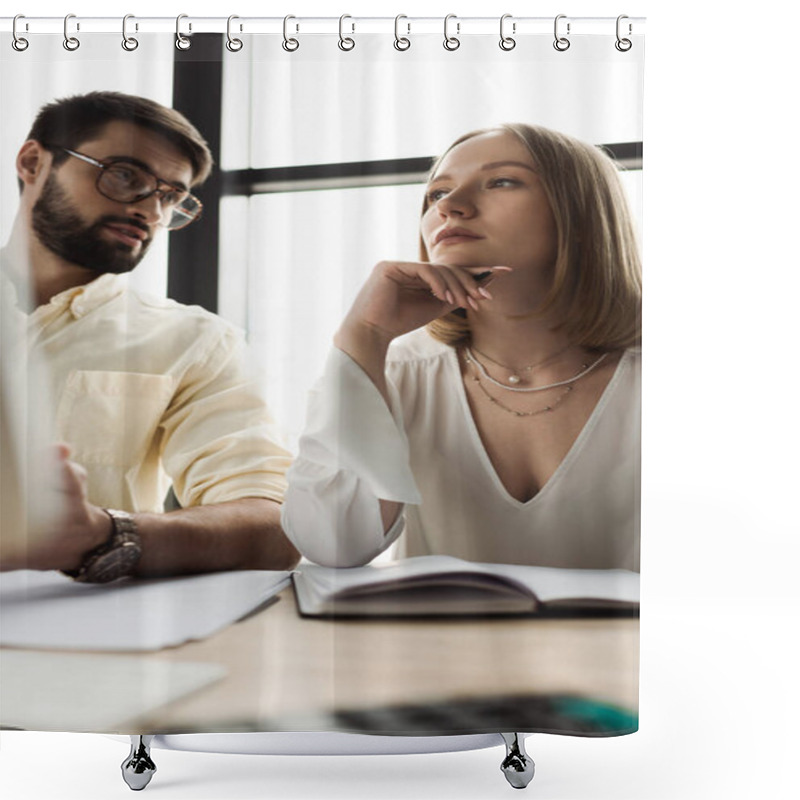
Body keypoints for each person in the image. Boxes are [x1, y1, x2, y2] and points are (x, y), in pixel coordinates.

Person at [282, 123, 641, 570]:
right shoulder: (394, 369)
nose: (450, 206)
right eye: (436, 194)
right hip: (439, 644)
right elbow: (332, 544)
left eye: (502, 181)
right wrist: (363, 333)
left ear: (585, 215)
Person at [0, 91, 299, 581]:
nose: (151, 212)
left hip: (74, 634)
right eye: (124, 176)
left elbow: (274, 526)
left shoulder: (195, 341)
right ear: (34, 163)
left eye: (170, 196)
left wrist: (102, 536)